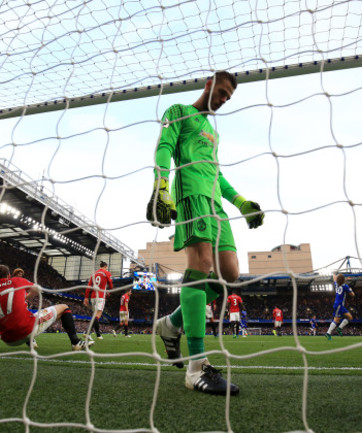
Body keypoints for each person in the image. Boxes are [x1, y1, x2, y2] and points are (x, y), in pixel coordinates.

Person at [146, 70, 265, 396]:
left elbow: (217, 174)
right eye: (223, 91)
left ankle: (171, 325)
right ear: (209, 84)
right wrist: (162, 187)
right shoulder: (179, 112)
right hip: (190, 198)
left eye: (229, 96)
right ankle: (196, 366)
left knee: (229, 275)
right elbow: (164, 148)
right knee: (200, 265)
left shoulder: (213, 133)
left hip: (216, 206)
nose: (225, 99)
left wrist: (241, 202)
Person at [0, 264, 90, 352]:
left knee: (29, 316)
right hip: (26, 330)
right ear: (9, 275)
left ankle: (31, 341)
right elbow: (38, 289)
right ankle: (76, 343)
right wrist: (25, 297)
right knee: (64, 307)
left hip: (8, 339)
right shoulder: (18, 281)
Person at [83, 261, 113, 341]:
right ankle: (87, 332)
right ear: (106, 266)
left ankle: (97, 335)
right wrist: (109, 290)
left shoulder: (94, 274)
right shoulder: (106, 273)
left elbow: (89, 286)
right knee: (97, 316)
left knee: (95, 316)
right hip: (100, 296)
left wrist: (86, 297)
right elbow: (110, 283)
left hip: (93, 297)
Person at [325, 274, 355, 340]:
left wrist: (334, 274)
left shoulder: (336, 284)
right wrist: (351, 289)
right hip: (339, 305)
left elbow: (334, 278)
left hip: (339, 305)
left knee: (350, 317)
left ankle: (339, 328)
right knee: (336, 320)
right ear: (343, 280)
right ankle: (328, 333)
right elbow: (353, 294)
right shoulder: (346, 286)